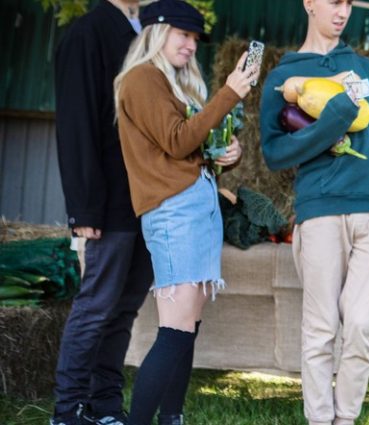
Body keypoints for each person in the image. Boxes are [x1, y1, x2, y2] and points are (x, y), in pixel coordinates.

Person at [259, 1, 369, 424]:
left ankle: (346, 418)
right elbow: (275, 153)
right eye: (333, 1)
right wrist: (339, 110)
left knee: (361, 326)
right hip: (320, 210)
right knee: (321, 329)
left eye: (348, 3)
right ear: (309, 3)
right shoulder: (284, 78)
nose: (342, 11)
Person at [112, 0, 256, 424]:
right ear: (157, 32)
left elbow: (185, 148)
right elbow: (176, 141)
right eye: (183, 34)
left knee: (186, 328)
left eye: (195, 38)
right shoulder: (142, 78)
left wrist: (224, 154)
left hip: (194, 204)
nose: (191, 45)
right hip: (174, 211)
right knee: (175, 331)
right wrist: (229, 93)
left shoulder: (169, 82)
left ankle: (172, 417)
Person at [51, 1, 152, 423]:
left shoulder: (149, 31)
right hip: (106, 200)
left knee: (125, 308)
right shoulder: (87, 33)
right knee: (97, 306)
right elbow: (75, 123)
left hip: (147, 198)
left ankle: (104, 405)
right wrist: (84, 208)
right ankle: (67, 409)